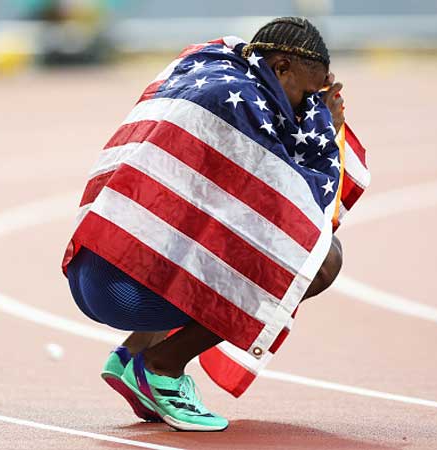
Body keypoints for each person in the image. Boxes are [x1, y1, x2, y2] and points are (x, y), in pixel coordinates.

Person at [63, 17, 366, 432]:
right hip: (124, 287)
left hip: (103, 256)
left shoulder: (217, 68)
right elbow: (300, 213)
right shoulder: (240, 104)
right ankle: (162, 366)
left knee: (223, 235)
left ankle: (133, 354)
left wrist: (309, 113)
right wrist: (326, 134)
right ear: (280, 67)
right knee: (317, 261)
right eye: (306, 95)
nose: (308, 108)